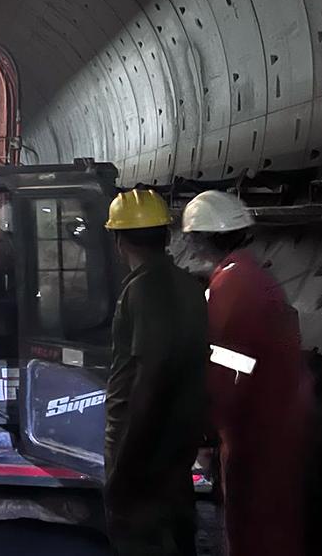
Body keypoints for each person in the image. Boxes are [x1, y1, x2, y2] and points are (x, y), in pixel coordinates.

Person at [182, 190, 308, 556]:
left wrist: (204, 432)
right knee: (276, 522)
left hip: (252, 429)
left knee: (251, 526)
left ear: (203, 239)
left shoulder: (231, 286)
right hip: (279, 418)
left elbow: (226, 366)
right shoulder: (252, 276)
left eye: (191, 237)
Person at [103, 189, 208, 556]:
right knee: (177, 530)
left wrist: (125, 467)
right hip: (178, 438)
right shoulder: (189, 284)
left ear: (119, 240)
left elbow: (150, 374)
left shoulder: (143, 290)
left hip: (143, 445)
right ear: (166, 235)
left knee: (139, 536)